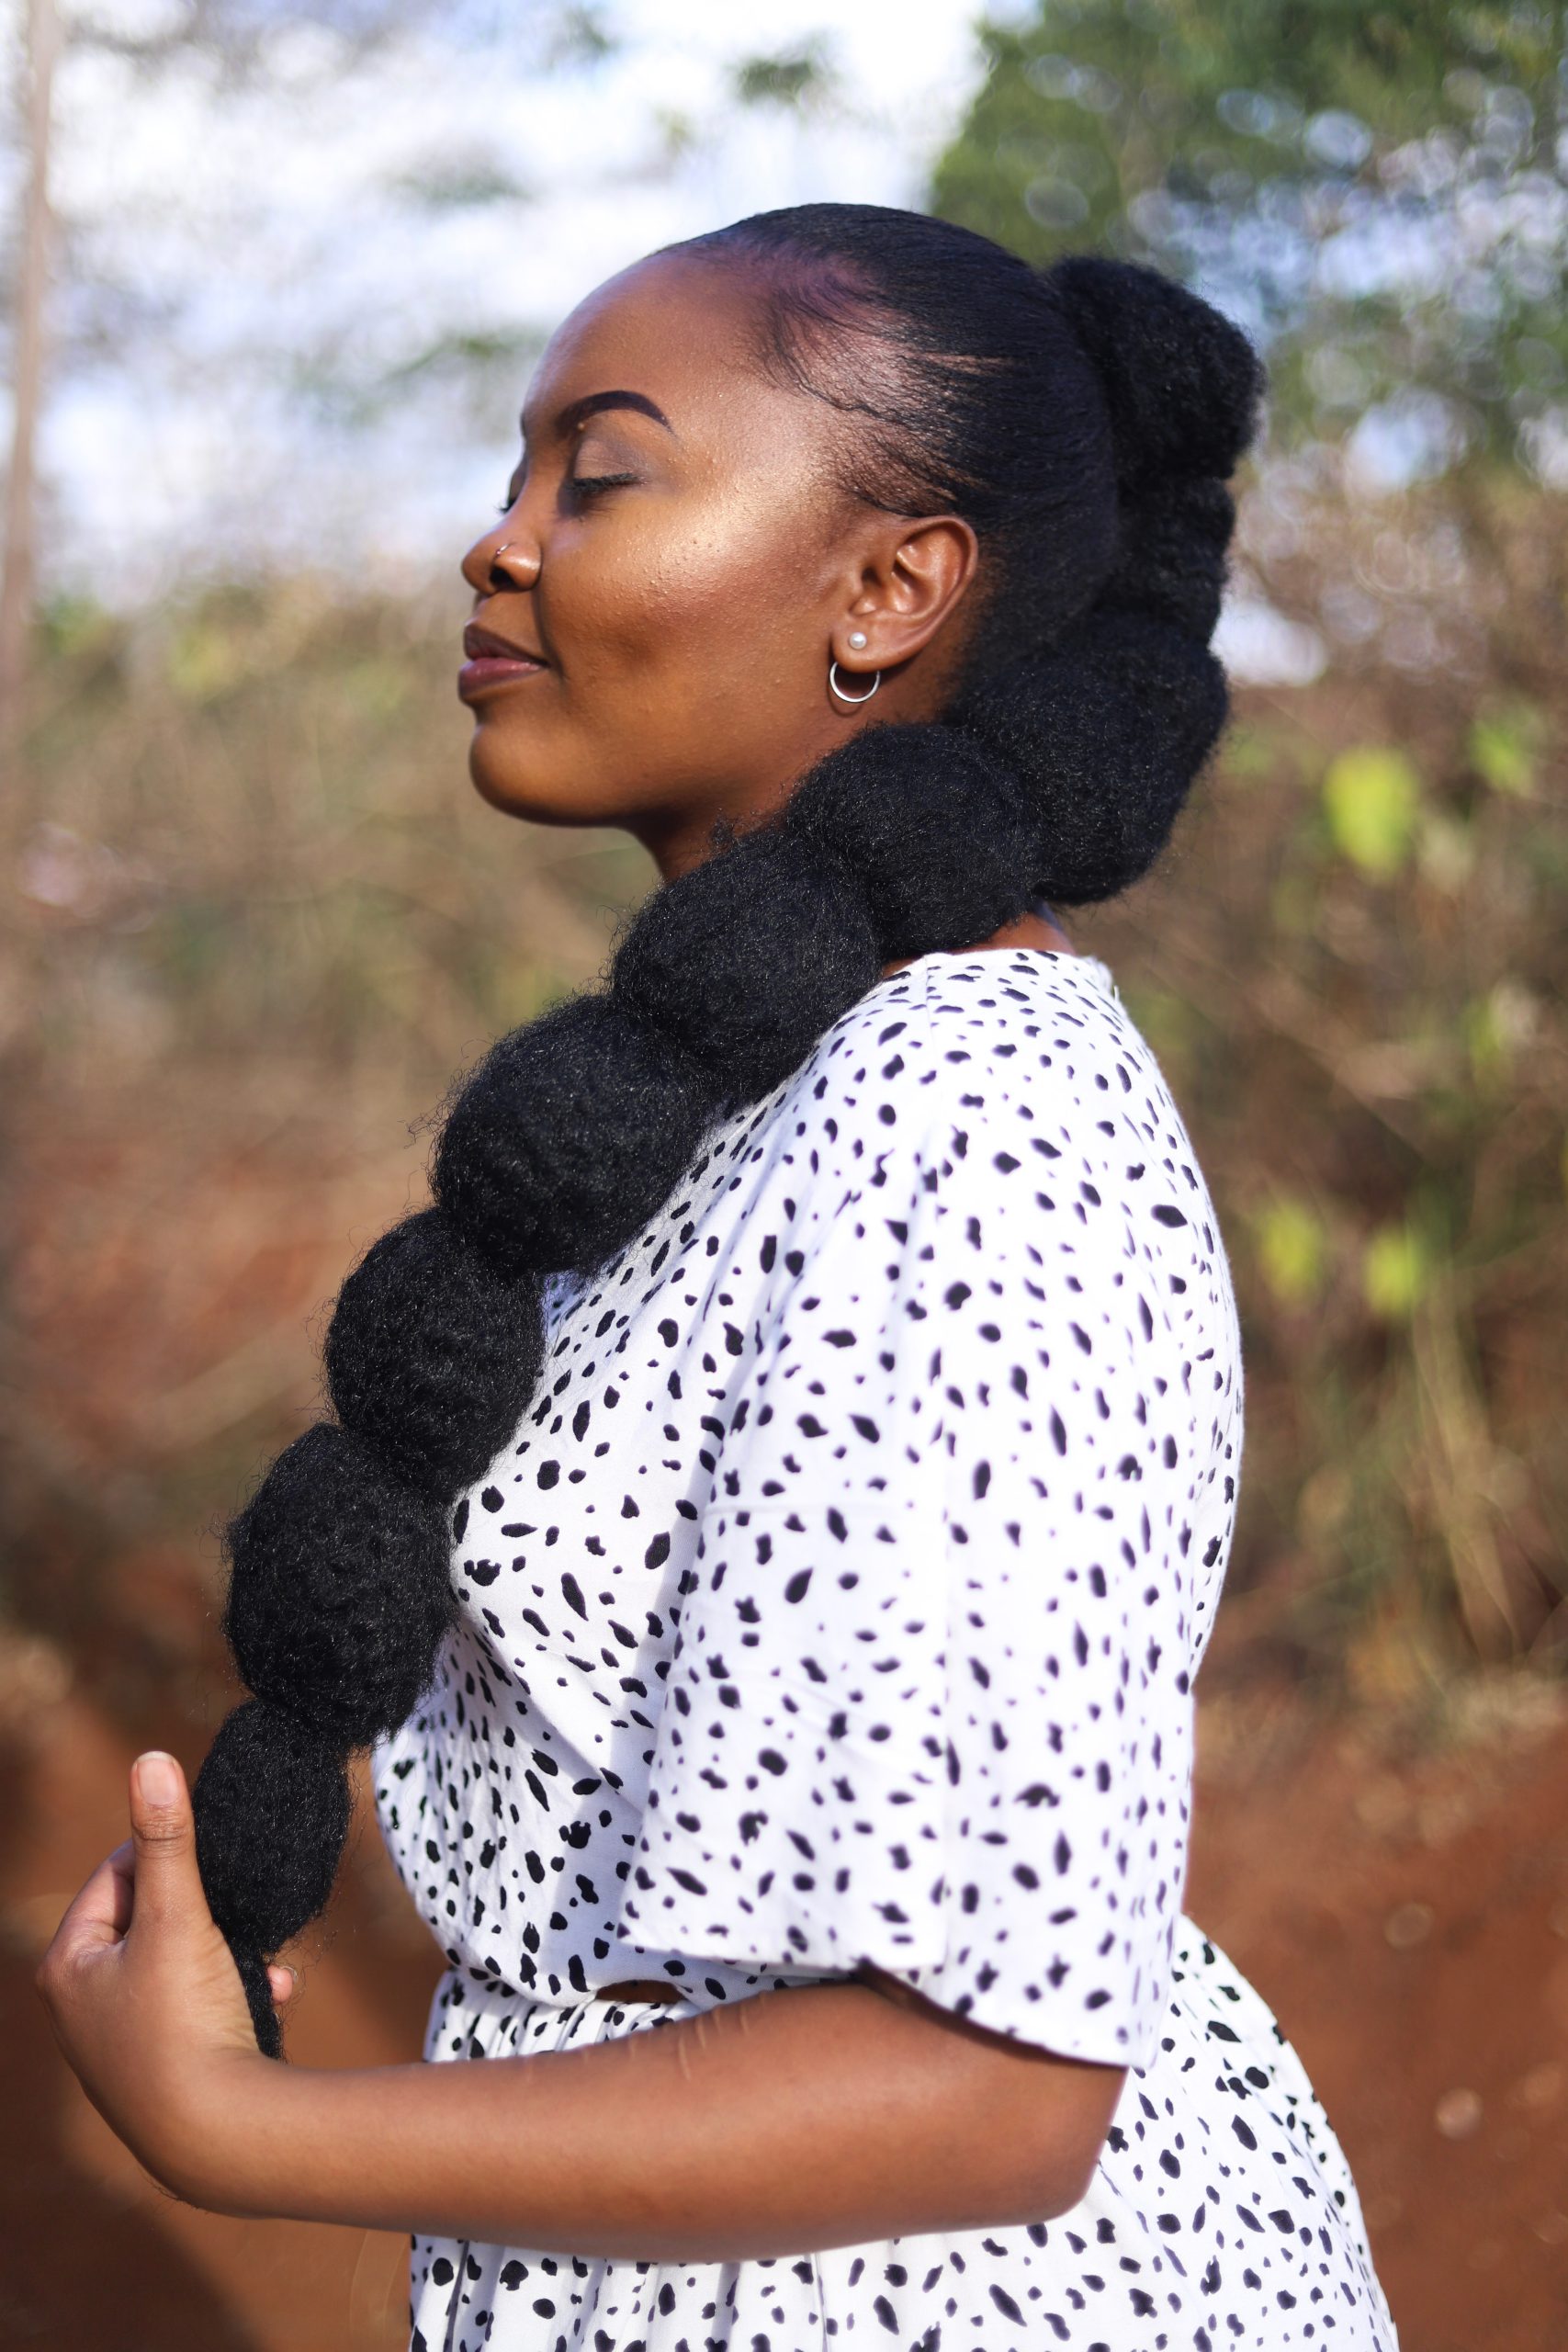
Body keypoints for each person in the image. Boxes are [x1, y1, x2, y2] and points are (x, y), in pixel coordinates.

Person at [37, 203, 1400, 2351]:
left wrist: (235, 2130)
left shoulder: (962, 1126)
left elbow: (981, 2081)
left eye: (599, 471)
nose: (496, 546)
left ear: (887, 589)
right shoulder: (750, 1097)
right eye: (512, 475)